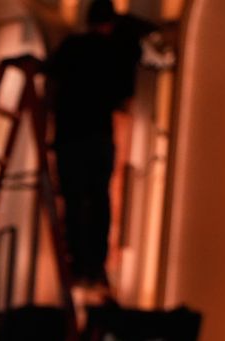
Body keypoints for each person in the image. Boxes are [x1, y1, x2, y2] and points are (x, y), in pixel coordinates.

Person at [47, 0, 157, 287]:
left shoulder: (72, 47)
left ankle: (76, 264)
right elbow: (123, 88)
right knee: (98, 201)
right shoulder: (114, 50)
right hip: (97, 135)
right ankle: (94, 266)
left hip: (69, 135)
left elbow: (53, 76)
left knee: (73, 201)